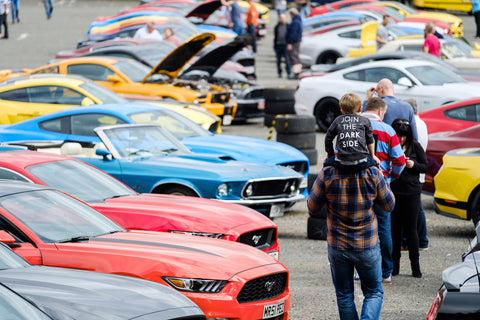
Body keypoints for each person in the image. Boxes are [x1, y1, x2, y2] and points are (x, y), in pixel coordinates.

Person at [308, 143, 395, 320]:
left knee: (344, 295)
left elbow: (312, 207)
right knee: (373, 293)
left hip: (338, 245)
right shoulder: (372, 172)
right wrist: (379, 170)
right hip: (367, 244)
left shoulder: (328, 173)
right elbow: (389, 204)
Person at [360, 97, 406, 284]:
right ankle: (386, 271)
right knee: (384, 229)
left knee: (362, 229)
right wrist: (391, 177)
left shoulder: (354, 126)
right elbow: (400, 160)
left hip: (357, 186)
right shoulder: (388, 130)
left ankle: (363, 271)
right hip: (381, 185)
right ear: (380, 111)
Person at [390, 118, 429, 279]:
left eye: (404, 136)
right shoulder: (391, 147)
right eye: (398, 135)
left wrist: (413, 165)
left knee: (411, 230)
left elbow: (425, 166)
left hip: (412, 193)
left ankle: (415, 267)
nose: (401, 139)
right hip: (395, 192)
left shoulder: (416, 147)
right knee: (395, 230)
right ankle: (395, 267)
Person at [324, 93, 380, 172]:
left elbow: (328, 138)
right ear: (361, 109)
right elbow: (370, 140)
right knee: (375, 164)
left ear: (342, 110)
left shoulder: (338, 120)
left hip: (341, 162)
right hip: (362, 162)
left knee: (326, 164)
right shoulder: (365, 120)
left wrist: (330, 155)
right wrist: (373, 156)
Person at [404, 99, 429, 251]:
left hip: (414, 172)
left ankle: (422, 240)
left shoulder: (414, 127)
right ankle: (422, 240)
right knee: (417, 209)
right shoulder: (422, 123)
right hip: (417, 173)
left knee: (416, 210)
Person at [286, 7, 302, 79]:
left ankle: (296, 73)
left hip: (294, 42)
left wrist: (289, 43)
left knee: (293, 57)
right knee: (296, 57)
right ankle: (297, 72)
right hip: (296, 41)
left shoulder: (295, 22)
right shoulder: (297, 20)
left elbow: (293, 33)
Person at [273, 13, 291, 78]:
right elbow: (275, 36)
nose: (282, 19)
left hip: (285, 45)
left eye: (283, 18)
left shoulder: (288, 26)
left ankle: (289, 73)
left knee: (287, 60)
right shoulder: (277, 26)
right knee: (278, 61)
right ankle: (279, 73)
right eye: (281, 18)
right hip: (278, 45)